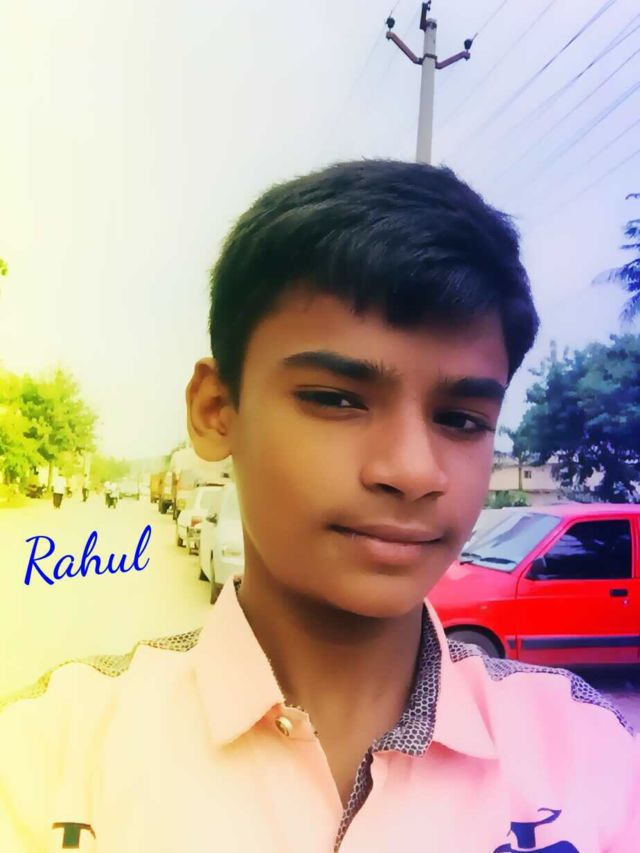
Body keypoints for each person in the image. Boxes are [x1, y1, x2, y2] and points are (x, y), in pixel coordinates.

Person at [1, 160, 638, 852]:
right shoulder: (51, 759)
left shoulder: (588, 756)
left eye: (460, 419)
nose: (412, 471)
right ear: (216, 410)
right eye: (337, 400)